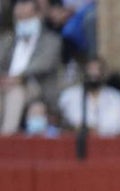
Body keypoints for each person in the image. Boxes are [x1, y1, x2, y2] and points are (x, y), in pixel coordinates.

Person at [0, 0, 63, 135]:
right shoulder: (8, 40)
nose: (23, 21)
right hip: (5, 86)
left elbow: (43, 65)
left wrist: (16, 78)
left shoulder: (51, 40)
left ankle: (6, 137)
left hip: (36, 88)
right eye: (19, 18)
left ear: (38, 15)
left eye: (28, 17)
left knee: (16, 92)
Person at [57, 54, 120, 136]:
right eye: (91, 69)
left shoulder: (116, 97)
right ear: (84, 71)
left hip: (109, 143)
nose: (94, 73)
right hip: (77, 143)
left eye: (98, 69)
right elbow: (60, 124)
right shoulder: (68, 96)